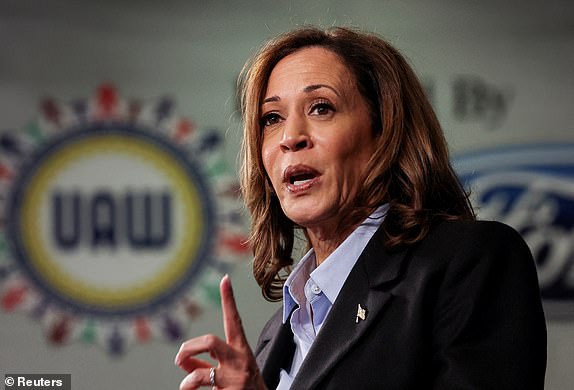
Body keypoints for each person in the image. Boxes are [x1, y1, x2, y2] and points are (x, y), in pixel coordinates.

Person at [175, 26, 547, 389]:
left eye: (321, 108)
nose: (290, 137)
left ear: (385, 131)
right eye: (272, 118)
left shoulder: (468, 264)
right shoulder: (276, 335)